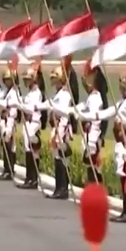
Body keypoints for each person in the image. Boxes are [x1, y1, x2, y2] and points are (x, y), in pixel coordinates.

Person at [93, 57, 126, 223]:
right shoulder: (122, 103)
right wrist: (90, 115)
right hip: (122, 143)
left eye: (123, 85)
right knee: (123, 176)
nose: (121, 88)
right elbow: (108, 112)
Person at [77, 62, 108, 185]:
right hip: (89, 135)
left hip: (93, 135)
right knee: (90, 166)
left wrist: (80, 115)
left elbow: (92, 117)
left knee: (94, 166)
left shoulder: (96, 97)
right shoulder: (91, 97)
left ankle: (96, 193)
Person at [47, 65, 75, 200]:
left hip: (61, 129)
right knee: (57, 158)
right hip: (56, 127)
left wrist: (60, 134)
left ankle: (63, 188)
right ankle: (59, 187)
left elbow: (64, 115)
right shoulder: (58, 94)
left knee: (62, 159)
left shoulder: (65, 95)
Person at [17, 62, 46, 190]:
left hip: (33, 123)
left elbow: (31, 109)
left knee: (32, 151)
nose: (26, 81)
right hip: (27, 123)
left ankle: (33, 179)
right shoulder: (29, 93)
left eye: (28, 79)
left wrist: (20, 105)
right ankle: (29, 177)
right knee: (27, 150)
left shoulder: (36, 93)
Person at [0, 61, 20, 181]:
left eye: (9, 79)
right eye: (6, 79)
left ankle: (10, 170)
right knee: (5, 146)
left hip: (10, 121)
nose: (7, 81)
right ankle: (7, 169)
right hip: (4, 120)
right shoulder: (6, 92)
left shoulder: (14, 92)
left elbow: (12, 108)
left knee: (9, 146)